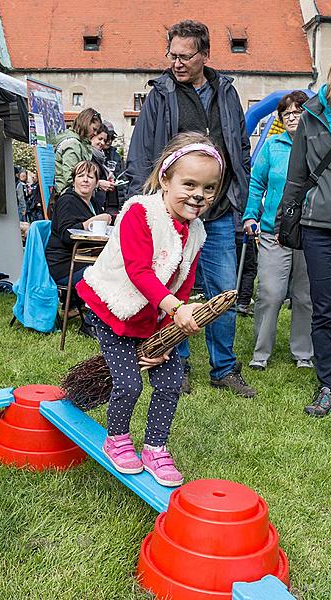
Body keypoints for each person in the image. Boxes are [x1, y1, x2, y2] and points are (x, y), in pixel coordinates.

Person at [76, 133, 223, 486]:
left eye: (209, 187)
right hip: (112, 309)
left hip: (153, 317)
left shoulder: (196, 230)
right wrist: (175, 310)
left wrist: (168, 336)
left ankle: (155, 447)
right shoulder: (139, 213)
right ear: (165, 179)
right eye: (189, 184)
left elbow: (183, 281)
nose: (199, 195)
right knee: (128, 385)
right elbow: (139, 271)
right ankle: (117, 439)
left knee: (171, 380)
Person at [125, 20, 255, 397]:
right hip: (172, 214)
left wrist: (239, 194)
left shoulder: (225, 91)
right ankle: (176, 362)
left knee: (224, 291)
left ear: (205, 55)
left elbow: (239, 147)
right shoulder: (160, 95)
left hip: (216, 214)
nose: (177, 63)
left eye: (185, 56)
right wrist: (143, 206)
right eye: (172, 55)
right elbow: (141, 155)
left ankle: (225, 368)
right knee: (174, 291)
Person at [278, 43, 331, 422]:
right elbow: (297, 173)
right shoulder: (310, 115)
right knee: (322, 310)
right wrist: (287, 216)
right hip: (316, 228)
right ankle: (329, 386)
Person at [243, 91, 313, 370]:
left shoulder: (317, 146)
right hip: (274, 231)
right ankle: (261, 354)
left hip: (309, 230)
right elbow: (256, 183)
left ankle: (303, 353)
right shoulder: (272, 146)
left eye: (298, 113)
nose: (292, 118)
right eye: (287, 114)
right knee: (270, 293)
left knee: (305, 296)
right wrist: (250, 215)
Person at [46, 160, 111, 336]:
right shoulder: (67, 200)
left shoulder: (94, 203)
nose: (85, 180)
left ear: (97, 183)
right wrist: (91, 222)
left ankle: (100, 317)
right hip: (64, 265)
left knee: (115, 267)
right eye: (80, 176)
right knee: (107, 275)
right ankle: (90, 324)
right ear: (73, 180)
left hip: (81, 259)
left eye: (90, 177)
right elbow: (67, 236)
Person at [54, 108, 101, 195]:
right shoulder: (73, 144)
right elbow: (70, 177)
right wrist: (98, 184)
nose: (95, 133)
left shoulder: (77, 143)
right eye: (94, 129)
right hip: (70, 195)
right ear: (86, 123)